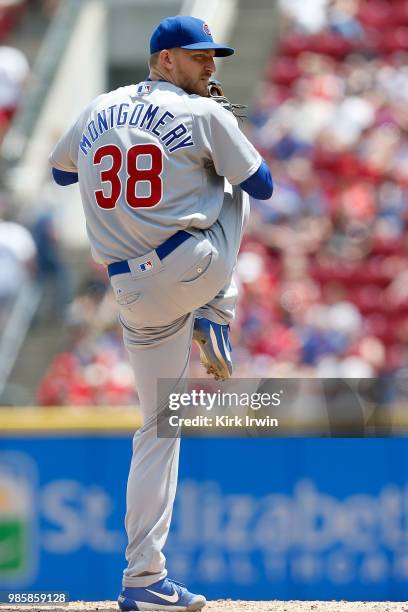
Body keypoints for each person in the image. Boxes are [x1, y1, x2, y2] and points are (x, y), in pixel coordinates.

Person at [49, 15, 273, 612]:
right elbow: (266, 183)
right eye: (199, 57)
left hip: (130, 290)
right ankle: (217, 316)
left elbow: (58, 170)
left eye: (212, 56)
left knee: (154, 429)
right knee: (232, 186)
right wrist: (211, 147)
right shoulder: (205, 113)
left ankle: (143, 578)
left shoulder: (99, 107)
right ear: (165, 59)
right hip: (197, 269)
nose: (211, 66)